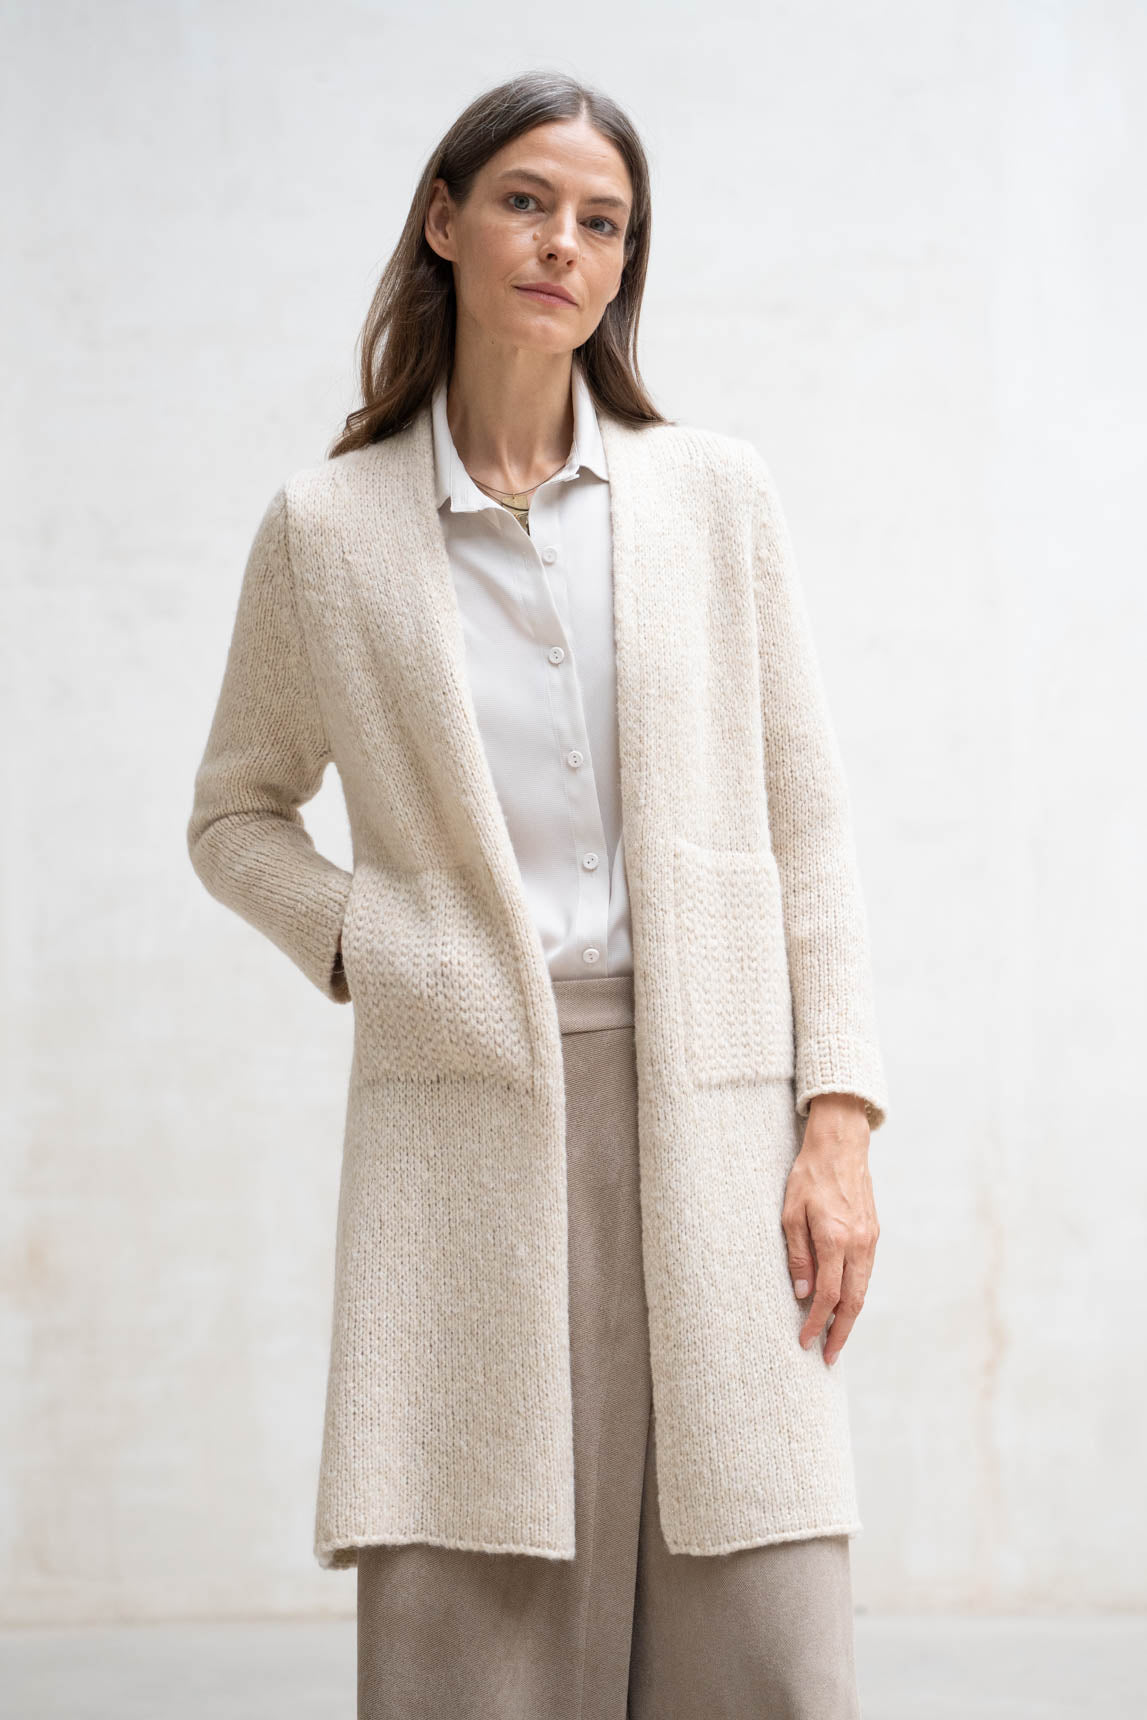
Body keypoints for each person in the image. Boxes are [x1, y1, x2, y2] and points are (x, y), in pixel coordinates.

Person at [187, 67, 889, 1720]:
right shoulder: (329, 532)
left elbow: (810, 823)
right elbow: (235, 816)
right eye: (526, 201)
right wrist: (375, 941)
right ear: (444, 221)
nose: (565, 242)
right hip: (466, 1095)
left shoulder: (711, 495)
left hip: (714, 1103)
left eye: (603, 221)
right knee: (475, 1619)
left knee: (762, 1630)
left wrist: (839, 1120)